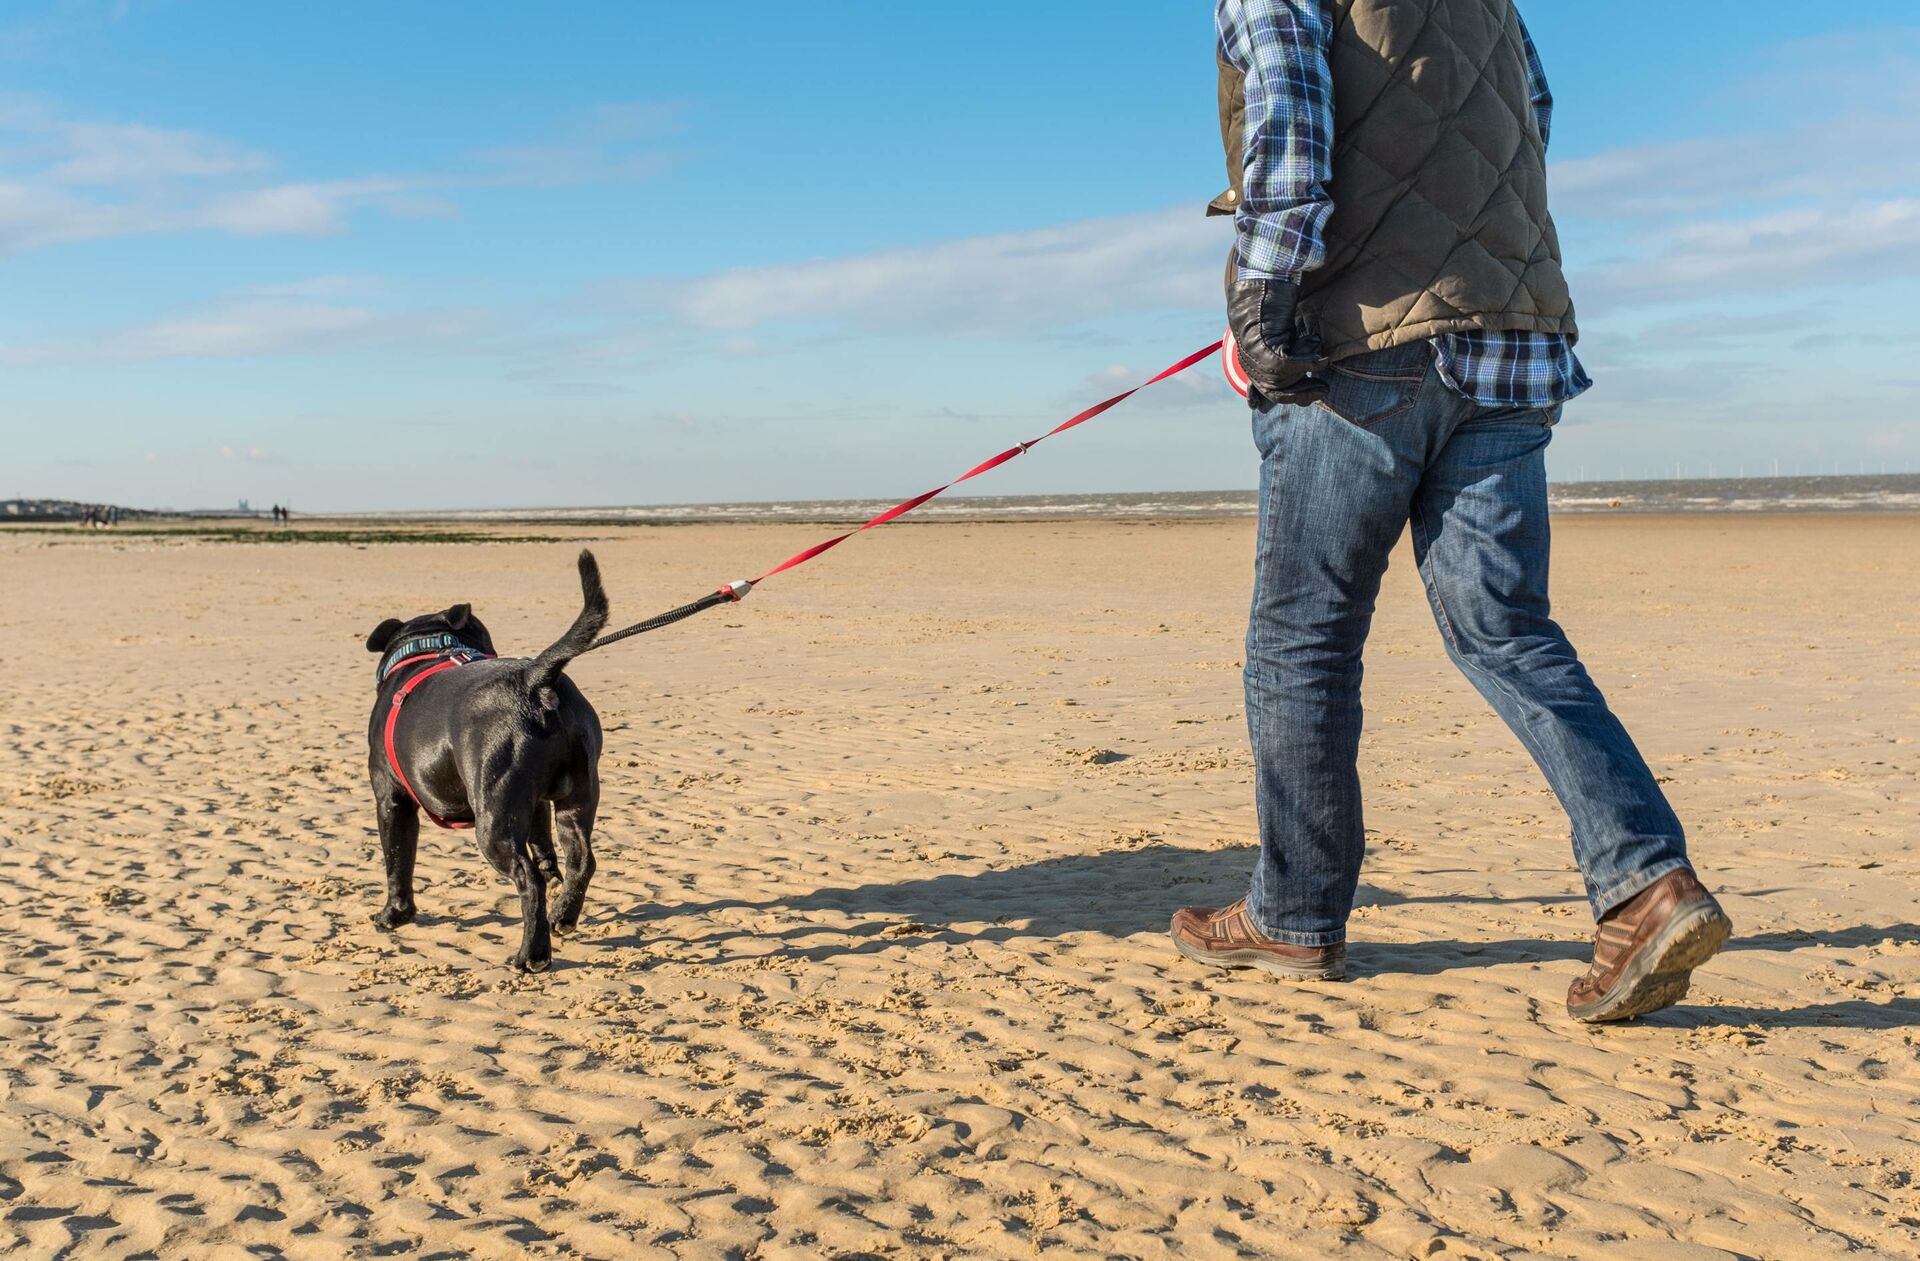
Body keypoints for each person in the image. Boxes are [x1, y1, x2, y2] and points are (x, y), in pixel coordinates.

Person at [1171, 0, 1732, 1022]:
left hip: (1364, 343)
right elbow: (1534, 110)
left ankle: (1294, 912)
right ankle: (1649, 883)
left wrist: (1262, 294)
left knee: (1304, 638)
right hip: (1514, 337)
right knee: (1507, 629)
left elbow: (1290, 117)